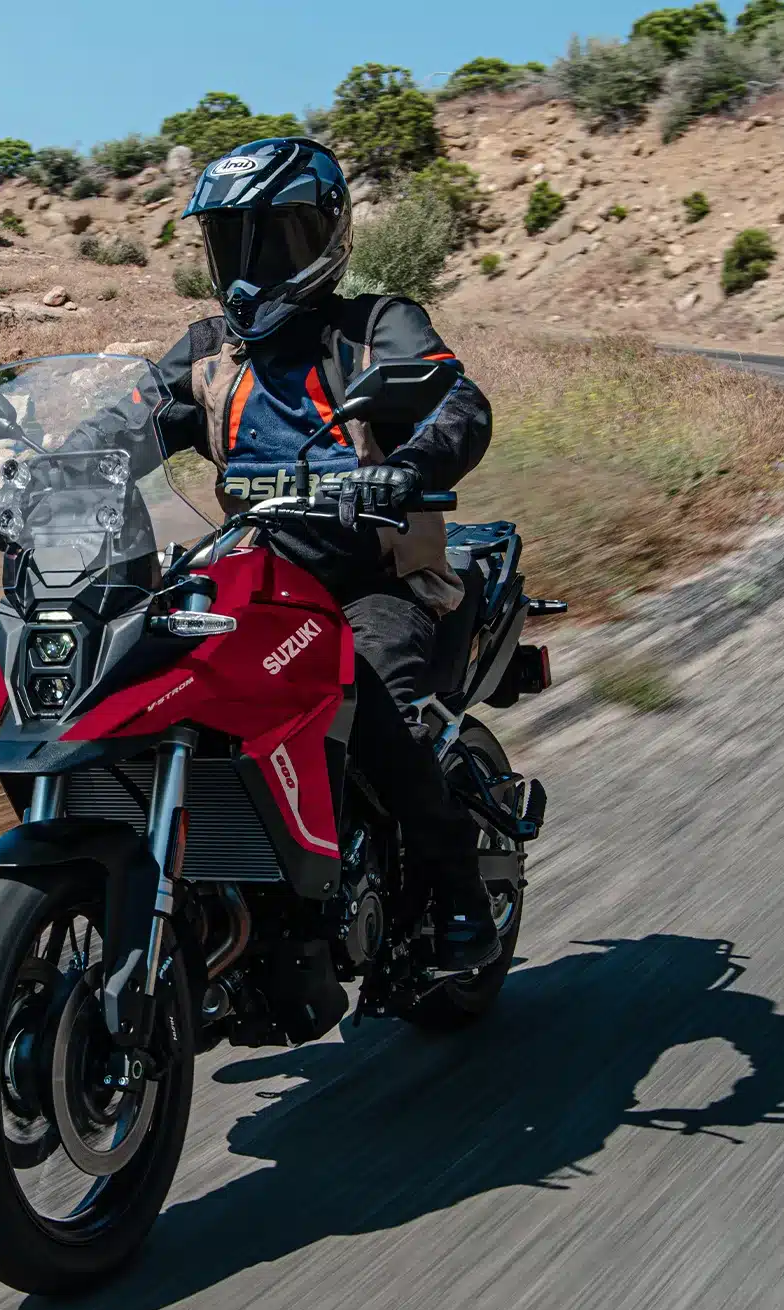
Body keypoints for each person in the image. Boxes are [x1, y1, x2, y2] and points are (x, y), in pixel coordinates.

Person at [143, 135, 501, 976]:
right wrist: (49, 467)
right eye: (234, 240)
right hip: (254, 586)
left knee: (380, 695)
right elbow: (129, 419)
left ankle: (458, 894)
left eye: (277, 237)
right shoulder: (207, 353)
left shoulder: (378, 327)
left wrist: (408, 466)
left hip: (372, 581)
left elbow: (458, 404)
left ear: (330, 236)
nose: (252, 264)